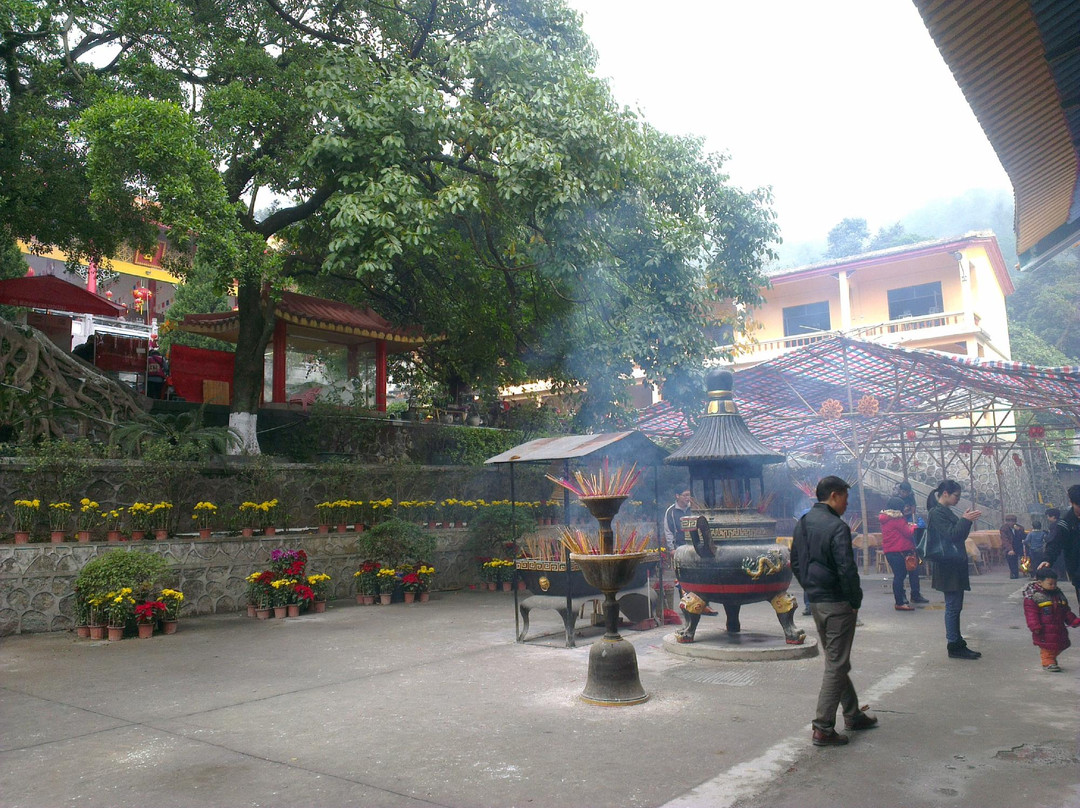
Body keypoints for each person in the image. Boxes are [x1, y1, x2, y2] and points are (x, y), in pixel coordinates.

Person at [790, 475, 876, 747]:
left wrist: (810, 587)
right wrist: (854, 600)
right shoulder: (838, 527)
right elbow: (846, 569)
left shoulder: (803, 523)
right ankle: (823, 727)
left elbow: (794, 562)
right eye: (845, 498)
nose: (847, 504)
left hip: (816, 602)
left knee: (837, 661)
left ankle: (852, 714)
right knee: (836, 664)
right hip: (838, 603)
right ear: (835, 495)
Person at [925, 480, 982, 660]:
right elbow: (952, 535)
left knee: (955, 606)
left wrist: (965, 521)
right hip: (947, 566)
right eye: (956, 495)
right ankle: (953, 644)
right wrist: (965, 521)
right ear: (945, 494)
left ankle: (957, 641)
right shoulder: (937, 513)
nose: (958, 499)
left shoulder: (944, 511)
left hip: (953, 564)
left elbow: (958, 535)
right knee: (952, 607)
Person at [1022, 567, 1080, 672]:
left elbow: (1066, 611)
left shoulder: (1058, 594)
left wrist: (1074, 620)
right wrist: (1035, 626)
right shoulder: (1033, 597)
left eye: (1055, 584)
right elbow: (1031, 614)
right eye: (1050, 584)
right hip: (1044, 629)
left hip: (1058, 627)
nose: (1053, 586)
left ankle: (1051, 659)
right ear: (1040, 583)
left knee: (1061, 644)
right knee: (1047, 648)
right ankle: (1048, 662)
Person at [879, 496, 928, 610]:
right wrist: (915, 526)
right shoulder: (897, 519)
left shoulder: (885, 518)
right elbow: (907, 532)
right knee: (900, 576)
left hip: (890, 551)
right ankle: (900, 602)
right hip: (900, 550)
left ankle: (901, 600)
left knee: (899, 576)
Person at [1042, 485, 1080, 603]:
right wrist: (1048, 559)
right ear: (1071, 502)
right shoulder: (1066, 523)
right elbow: (1055, 543)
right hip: (1077, 569)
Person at [1000, 514, 1025, 579]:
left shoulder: (1020, 528)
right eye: (1009, 521)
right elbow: (1005, 540)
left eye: (1012, 521)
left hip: (1018, 545)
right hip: (1009, 546)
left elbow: (1024, 537)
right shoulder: (1004, 528)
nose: (1011, 523)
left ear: (1015, 522)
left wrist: (1019, 530)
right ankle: (1014, 573)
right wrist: (1010, 549)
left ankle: (1025, 571)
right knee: (1011, 557)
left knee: (1024, 558)